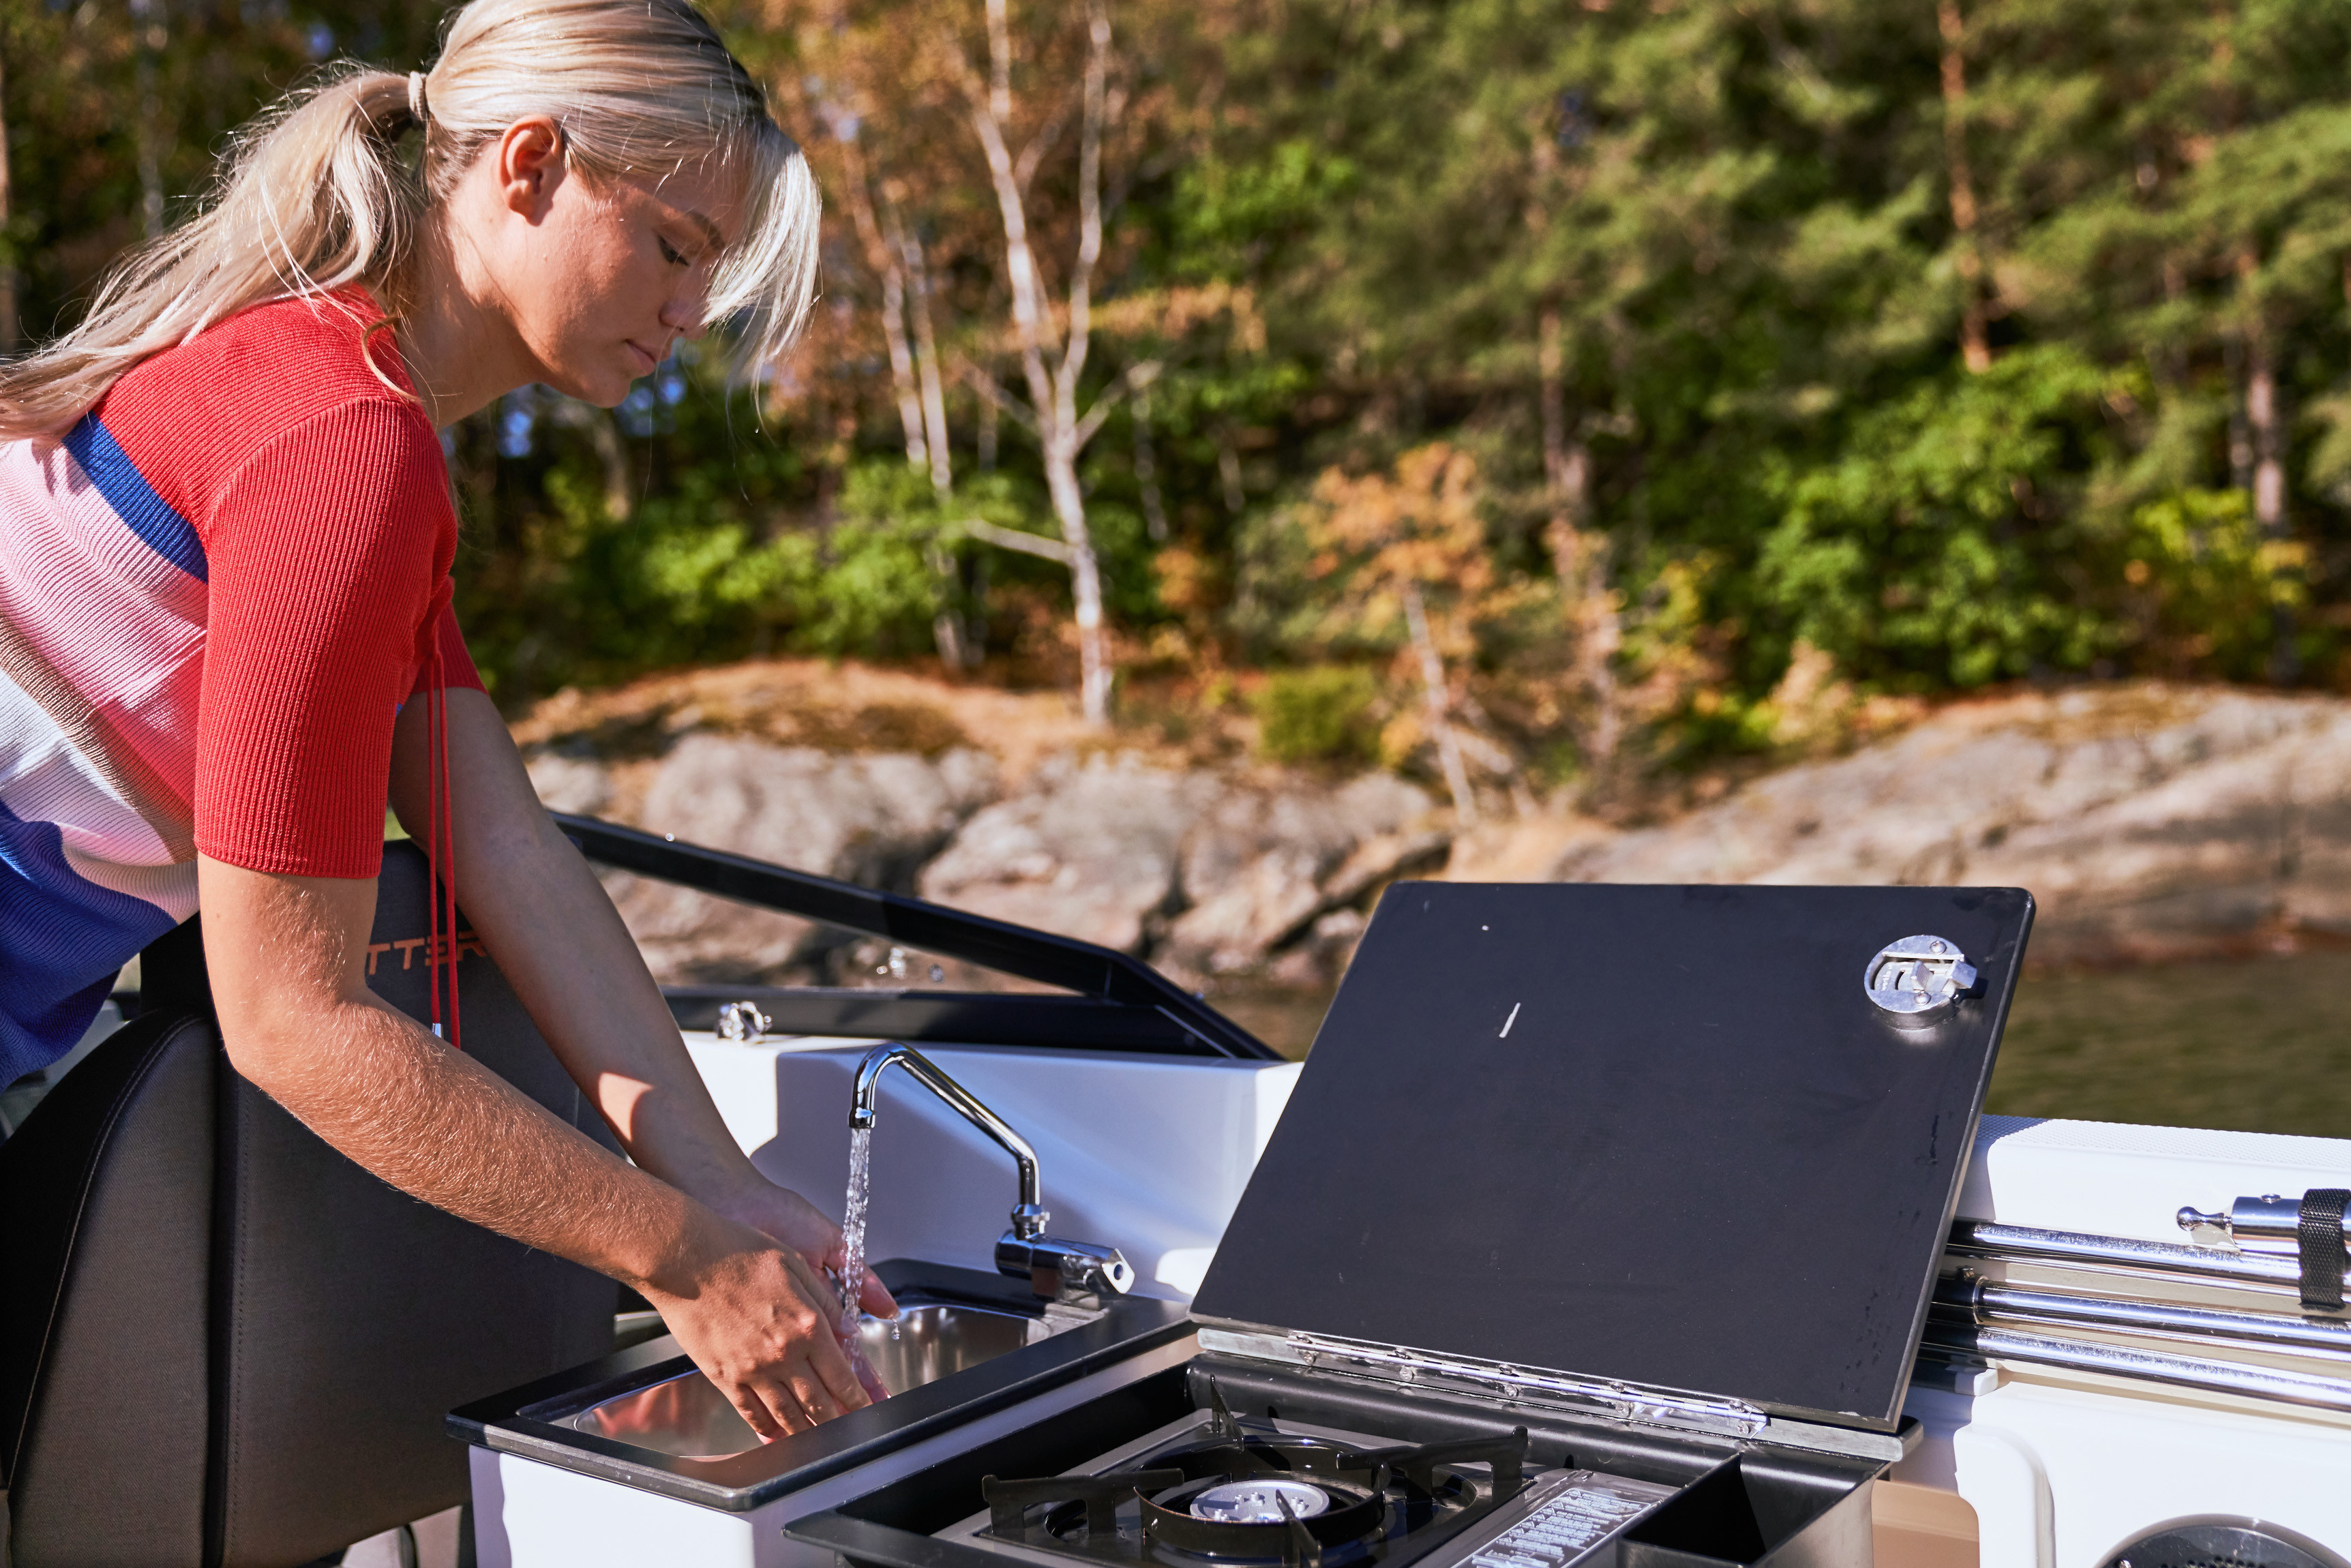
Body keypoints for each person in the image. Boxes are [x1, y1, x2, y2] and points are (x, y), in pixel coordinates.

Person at [0, 0, 890, 1440]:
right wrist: (679, 1259)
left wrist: (724, 1190)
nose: (689, 312)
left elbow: (511, 852)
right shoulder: (341, 445)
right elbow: (291, 1020)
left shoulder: (343, 404)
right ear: (529, 165)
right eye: (675, 248)